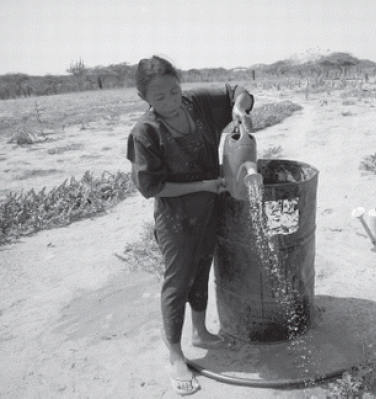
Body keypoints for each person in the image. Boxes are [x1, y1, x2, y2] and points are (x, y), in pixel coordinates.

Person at [126, 56, 254, 395]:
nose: (170, 102)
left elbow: (237, 91)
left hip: (209, 210)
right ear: (145, 99)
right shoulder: (145, 132)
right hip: (176, 220)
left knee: (202, 268)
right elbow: (151, 187)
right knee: (177, 281)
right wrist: (204, 185)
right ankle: (175, 354)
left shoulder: (195, 104)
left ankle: (200, 332)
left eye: (174, 91)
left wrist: (239, 109)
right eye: (160, 97)